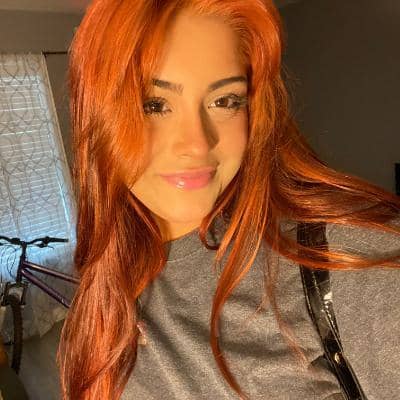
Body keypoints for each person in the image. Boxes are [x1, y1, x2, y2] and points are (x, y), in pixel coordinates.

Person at [57, 0, 400, 399]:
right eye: (154, 105)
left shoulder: (355, 260)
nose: (197, 144)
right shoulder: (107, 277)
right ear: (98, 117)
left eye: (224, 101)